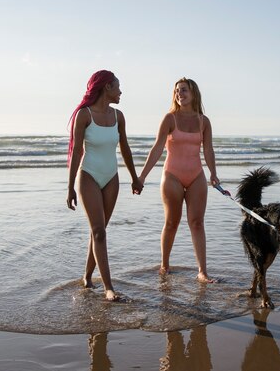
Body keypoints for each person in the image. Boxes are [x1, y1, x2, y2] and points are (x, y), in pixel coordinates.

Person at [66, 70, 143, 301]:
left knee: (99, 232)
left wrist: (135, 177)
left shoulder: (119, 116)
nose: (121, 92)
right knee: (98, 232)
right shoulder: (84, 115)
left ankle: (87, 277)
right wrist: (70, 187)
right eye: (118, 87)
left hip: (111, 178)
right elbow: (77, 152)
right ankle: (109, 287)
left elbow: (125, 149)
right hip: (88, 175)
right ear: (107, 87)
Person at [139, 77, 220, 282]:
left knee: (197, 223)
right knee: (172, 222)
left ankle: (202, 271)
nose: (179, 94)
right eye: (176, 91)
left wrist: (213, 173)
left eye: (183, 90)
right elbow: (157, 148)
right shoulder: (170, 118)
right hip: (172, 176)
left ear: (193, 93)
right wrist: (142, 176)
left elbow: (208, 150)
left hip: (196, 177)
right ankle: (165, 264)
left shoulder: (204, 121)